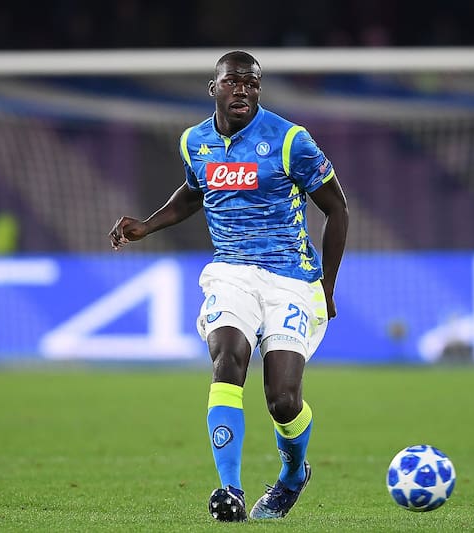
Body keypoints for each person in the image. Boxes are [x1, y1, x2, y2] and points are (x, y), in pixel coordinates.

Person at [108, 50, 349, 522]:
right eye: (233, 81)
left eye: (253, 83)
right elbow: (196, 190)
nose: (243, 89)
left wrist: (328, 286)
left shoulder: (290, 140)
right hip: (230, 272)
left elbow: (337, 208)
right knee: (228, 358)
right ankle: (231, 491)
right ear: (213, 88)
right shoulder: (194, 141)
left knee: (282, 400)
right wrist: (147, 226)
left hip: (289, 279)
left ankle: (293, 474)